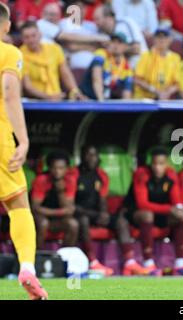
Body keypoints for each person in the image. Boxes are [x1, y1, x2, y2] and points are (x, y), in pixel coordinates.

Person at [0, 2, 47, 300]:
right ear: (5, 26)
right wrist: (24, 140)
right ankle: (27, 268)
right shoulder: (9, 52)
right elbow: (8, 92)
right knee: (18, 206)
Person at [123, 147, 183, 275]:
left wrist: (178, 209)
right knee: (147, 215)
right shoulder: (142, 174)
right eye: (154, 163)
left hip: (161, 214)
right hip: (136, 213)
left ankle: (180, 263)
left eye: (161, 164)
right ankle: (148, 263)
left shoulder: (171, 175)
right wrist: (170, 209)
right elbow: (142, 203)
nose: (157, 167)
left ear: (166, 164)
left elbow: (176, 200)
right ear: (151, 163)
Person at [71, 145, 116, 276]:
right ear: (82, 157)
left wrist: (104, 213)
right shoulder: (74, 174)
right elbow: (70, 203)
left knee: (120, 222)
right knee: (83, 220)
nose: (92, 158)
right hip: (78, 212)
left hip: (95, 213)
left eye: (94, 155)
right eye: (88, 155)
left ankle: (129, 262)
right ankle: (93, 261)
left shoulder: (101, 175)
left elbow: (102, 198)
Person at [19, 21, 84, 101]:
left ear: (40, 35)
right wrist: (49, 97)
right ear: (22, 39)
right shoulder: (19, 55)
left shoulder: (55, 49)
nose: (31, 40)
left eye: (33, 35)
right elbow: (27, 86)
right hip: (35, 101)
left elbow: (65, 73)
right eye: (27, 37)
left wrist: (75, 91)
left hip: (57, 98)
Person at [31, 151, 78, 251]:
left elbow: (69, 210)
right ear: (49, 167)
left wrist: (60, 191)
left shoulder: (70, 181)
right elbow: (35, 208)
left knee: (73, 224)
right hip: (40, 217)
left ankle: (64, 257)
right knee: (43, 223)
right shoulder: (41, 180)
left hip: (57, 219)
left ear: (67, 169)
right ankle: (37, 256)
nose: (57, 171)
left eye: (61, 168)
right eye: (54, 168)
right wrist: (60, 212)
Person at [80, 32, 133, 101]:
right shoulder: (101, 54)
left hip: (104, 101)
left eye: (119, 42)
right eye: (113, 41)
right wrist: (101, 103)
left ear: (126, 47)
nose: (115, 45)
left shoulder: (126, 67)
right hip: (86, 98)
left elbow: (127, 92)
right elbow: (96, 79)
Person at [133, 28, 181, 100]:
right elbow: (137, 79)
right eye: (159, 37)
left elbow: (177, 83)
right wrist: (155, 91)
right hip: (145, 97)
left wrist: (167, 93)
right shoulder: (146, 56)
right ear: (154, 40)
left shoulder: (175, 58)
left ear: (170, 39)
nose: (162, 40)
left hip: (165, 98)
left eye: (165, 37)